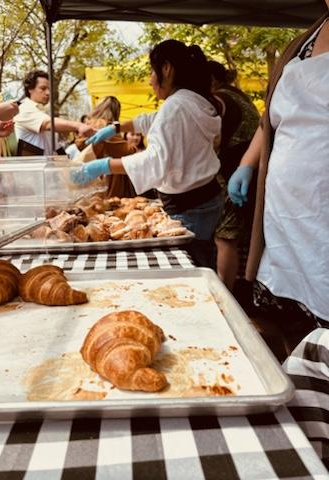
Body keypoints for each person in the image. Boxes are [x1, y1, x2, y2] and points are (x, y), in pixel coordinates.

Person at [227, 2, 329, 356]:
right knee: (290, 331)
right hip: (285, 213)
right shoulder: (302, 42)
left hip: (323, 212)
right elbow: (269, 118)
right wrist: (247, 163)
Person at [72, 40, 225, 268]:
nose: (150, 80)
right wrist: (114, 129)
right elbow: (152, 120)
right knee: (203, 259)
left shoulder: (177, 106)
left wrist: (103, 165)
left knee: (192, 268)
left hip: (191, 207)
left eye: (151, 72)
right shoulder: (192, 101)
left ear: (166, 69)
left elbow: (155, 160)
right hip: (205, 200)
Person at [206, 61, 259, 291]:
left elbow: (212, 138)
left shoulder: (219, 99)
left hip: (234, 175)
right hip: (252, 170)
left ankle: (226, 295)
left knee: (225, 238)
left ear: (211, 79)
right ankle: (243, 288)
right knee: (238, 238)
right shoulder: (241, 96)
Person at [14, 70, 93, 155]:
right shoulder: (24, 109)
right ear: (30, 89)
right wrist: (78, 126)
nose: (48, 93)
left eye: (49, 89)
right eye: (43, 88)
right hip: (34, 166)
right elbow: (48, 123)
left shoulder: (41, 112)